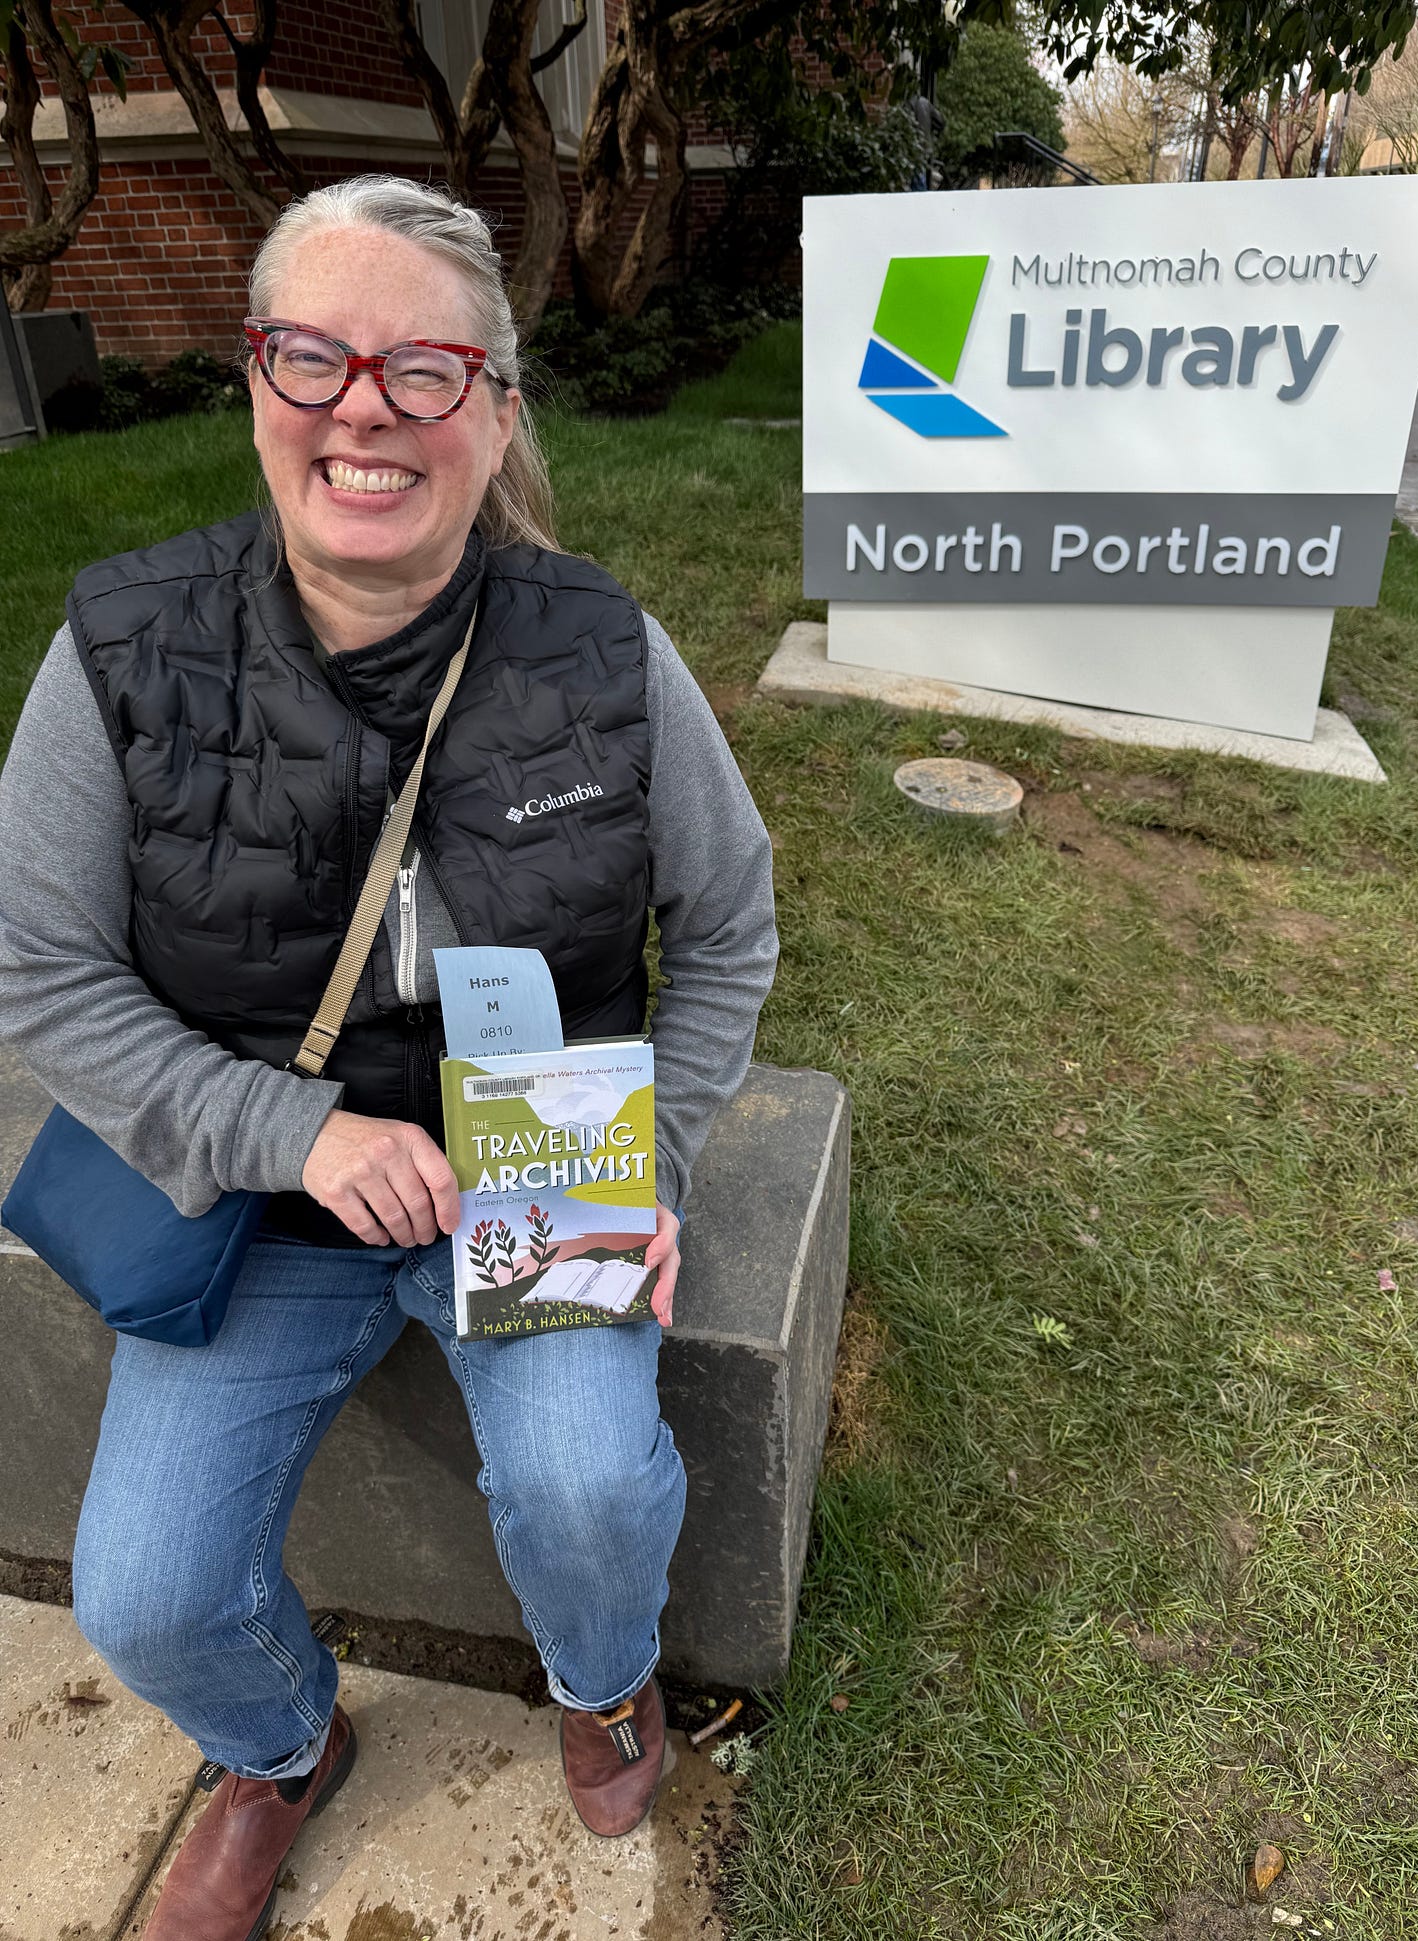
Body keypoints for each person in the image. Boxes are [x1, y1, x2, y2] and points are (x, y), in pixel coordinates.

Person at [0, 173, 777, 1940]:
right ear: (255, 382)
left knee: (587, 1485)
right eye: (314, 355)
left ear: (497, 412)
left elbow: (730, 929)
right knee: (140, 1589)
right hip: (264, 1203)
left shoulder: (605, 648)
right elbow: (33, 962)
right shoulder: (126, 649)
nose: (366, 405)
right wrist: (286, 1131)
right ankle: (277, 1742)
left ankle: (602, 1677)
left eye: (425, 369)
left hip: (538, 1167)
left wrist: (651, 1165)